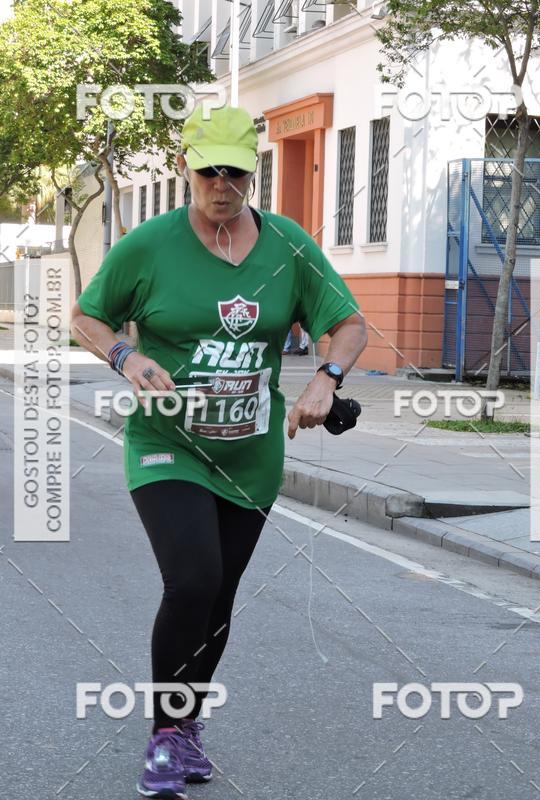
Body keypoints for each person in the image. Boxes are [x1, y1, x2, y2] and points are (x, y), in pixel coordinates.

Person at [70, 103, 367, 799]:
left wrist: (328, 377)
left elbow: (348, 324)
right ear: (186, 169)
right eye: (209, 171)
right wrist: (124, 356)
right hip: (167, 444)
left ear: (251, 173)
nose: (222, 184)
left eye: (235, 171)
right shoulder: (148, 246)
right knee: (194, 578)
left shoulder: (289, 247)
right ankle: (166, 736)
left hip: (250, 453)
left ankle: (189, 724)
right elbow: (86, 315)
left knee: (220, 600)